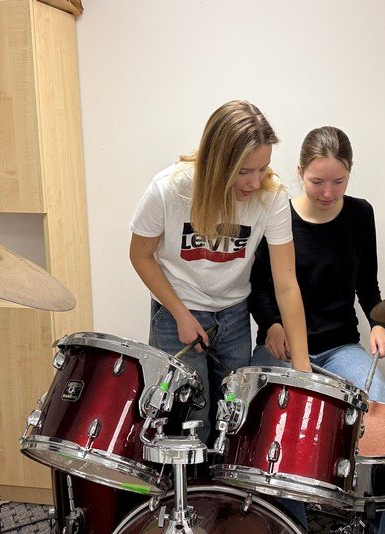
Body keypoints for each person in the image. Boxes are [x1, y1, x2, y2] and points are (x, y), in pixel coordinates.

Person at [248, 126, 385, 534]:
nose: (327, 191)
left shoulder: (360, 215)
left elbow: (368, 284)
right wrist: (272, 324)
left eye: (338, 181)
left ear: (350, 175)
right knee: (275, 429)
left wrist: (378, 323)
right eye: (317, 181)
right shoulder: (276, 214)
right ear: (299, 172)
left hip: (339, 344)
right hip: (282, 349)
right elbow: (259, 287)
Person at [129, 100, 311, 443]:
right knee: (188, 427)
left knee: (231, 425)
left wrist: (301, 367)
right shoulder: (170, 189)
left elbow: (286, 285)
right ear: (217, 163)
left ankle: (221, 498)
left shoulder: (271, 199)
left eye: (263, 168)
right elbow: (140, 256)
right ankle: (187, 497)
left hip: (233, 316)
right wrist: (181, 314)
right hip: (175, 313)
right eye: (244, 171)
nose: (255, 182)